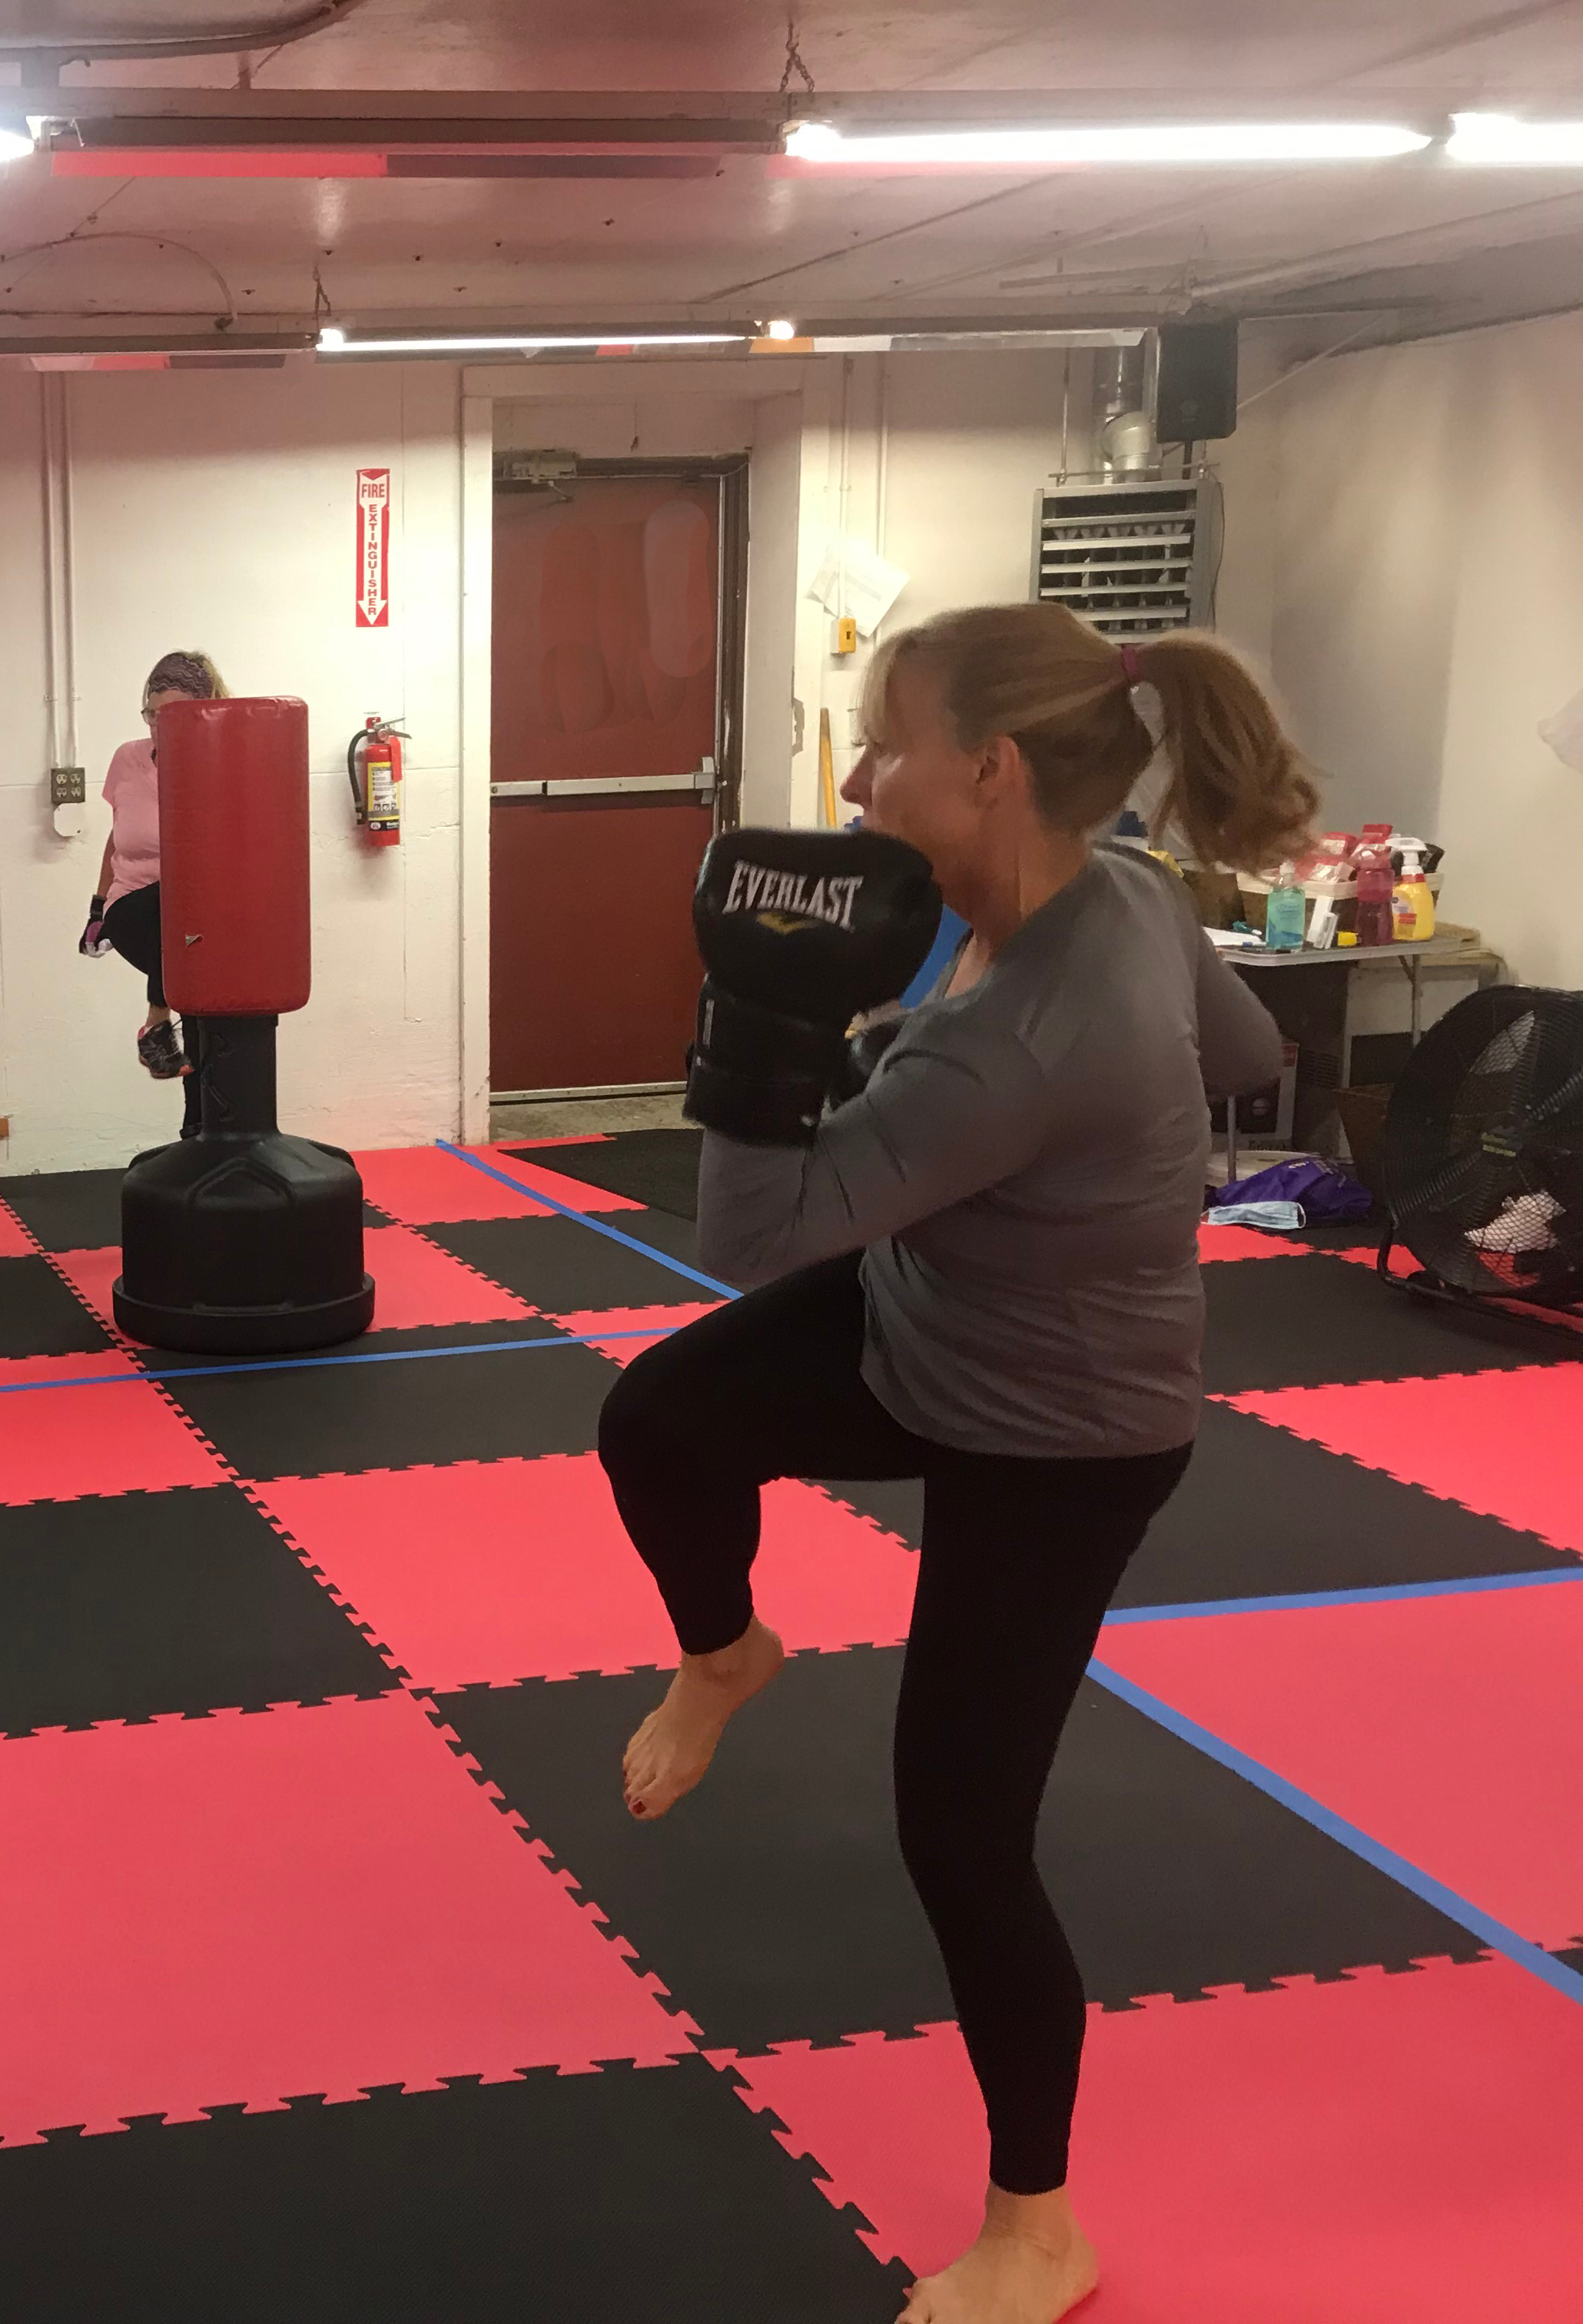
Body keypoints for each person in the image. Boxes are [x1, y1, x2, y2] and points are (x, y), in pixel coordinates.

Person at [596, 605, 1310, 2324]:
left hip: (1063, 1438)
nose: (857, 775)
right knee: (658, 1423)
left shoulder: (1028, 1030)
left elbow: (756, 1235)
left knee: (962, 1832)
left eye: (888, 739)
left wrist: (756, 1032)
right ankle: (728, 1651)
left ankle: (1037, 2225)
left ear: (987, 771)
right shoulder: (1113, 889)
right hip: (928, 1325)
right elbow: (1255, 1058)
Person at [85, 649, 225, 1139]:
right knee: (175, 913)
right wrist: (96, 907)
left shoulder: (223, 756)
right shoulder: (128, 758)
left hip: (199, 912)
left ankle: (199, 1130)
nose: (160, 726)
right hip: (135, 904)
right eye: (152, 714)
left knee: (204, 1009)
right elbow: (116, 834)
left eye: (174, 714)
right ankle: (156, 1018)